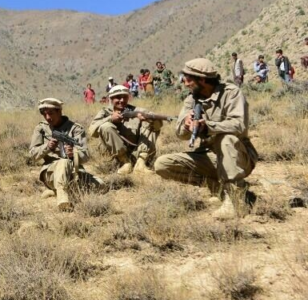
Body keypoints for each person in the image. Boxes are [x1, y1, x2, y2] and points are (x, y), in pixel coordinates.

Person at [153, 58, 259, 220]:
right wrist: (186, 125)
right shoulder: (191, 99)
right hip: (209, 157)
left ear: (202, 79)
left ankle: (236, 200)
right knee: (162, 164)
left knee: (225, 139)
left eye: (188, 78)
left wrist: (208, 126)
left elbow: (239, 125)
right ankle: (219, 188)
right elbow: (180, 134)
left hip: (238, 156)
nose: (185, 83)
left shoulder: (231, 93)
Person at [28, 99, 96, 212]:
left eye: (50, 113)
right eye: (44, 114)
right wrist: (47, 147)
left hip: (74, 172)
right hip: (51, 173)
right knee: (63, 162)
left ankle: (55, 191)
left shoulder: (76, 129)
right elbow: (32, 154)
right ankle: (62, 198)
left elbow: (85, 155)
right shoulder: (41, 129)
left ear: (59, 111)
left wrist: (74, 154)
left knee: (101, 186)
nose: (48, 117)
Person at [88, 85, 163, 175]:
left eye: (125, 97)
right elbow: (92, 131)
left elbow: (158, 126)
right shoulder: (104, 112)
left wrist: (150, 119)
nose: (122, 100)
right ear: (111, 99)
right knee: (105, 126)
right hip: (113, 156)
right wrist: (110, 119)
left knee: (152, 124)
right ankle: (125, 163)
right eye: (118, 98)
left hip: (135, 153)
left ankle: (140, 164)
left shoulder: (136, 110)